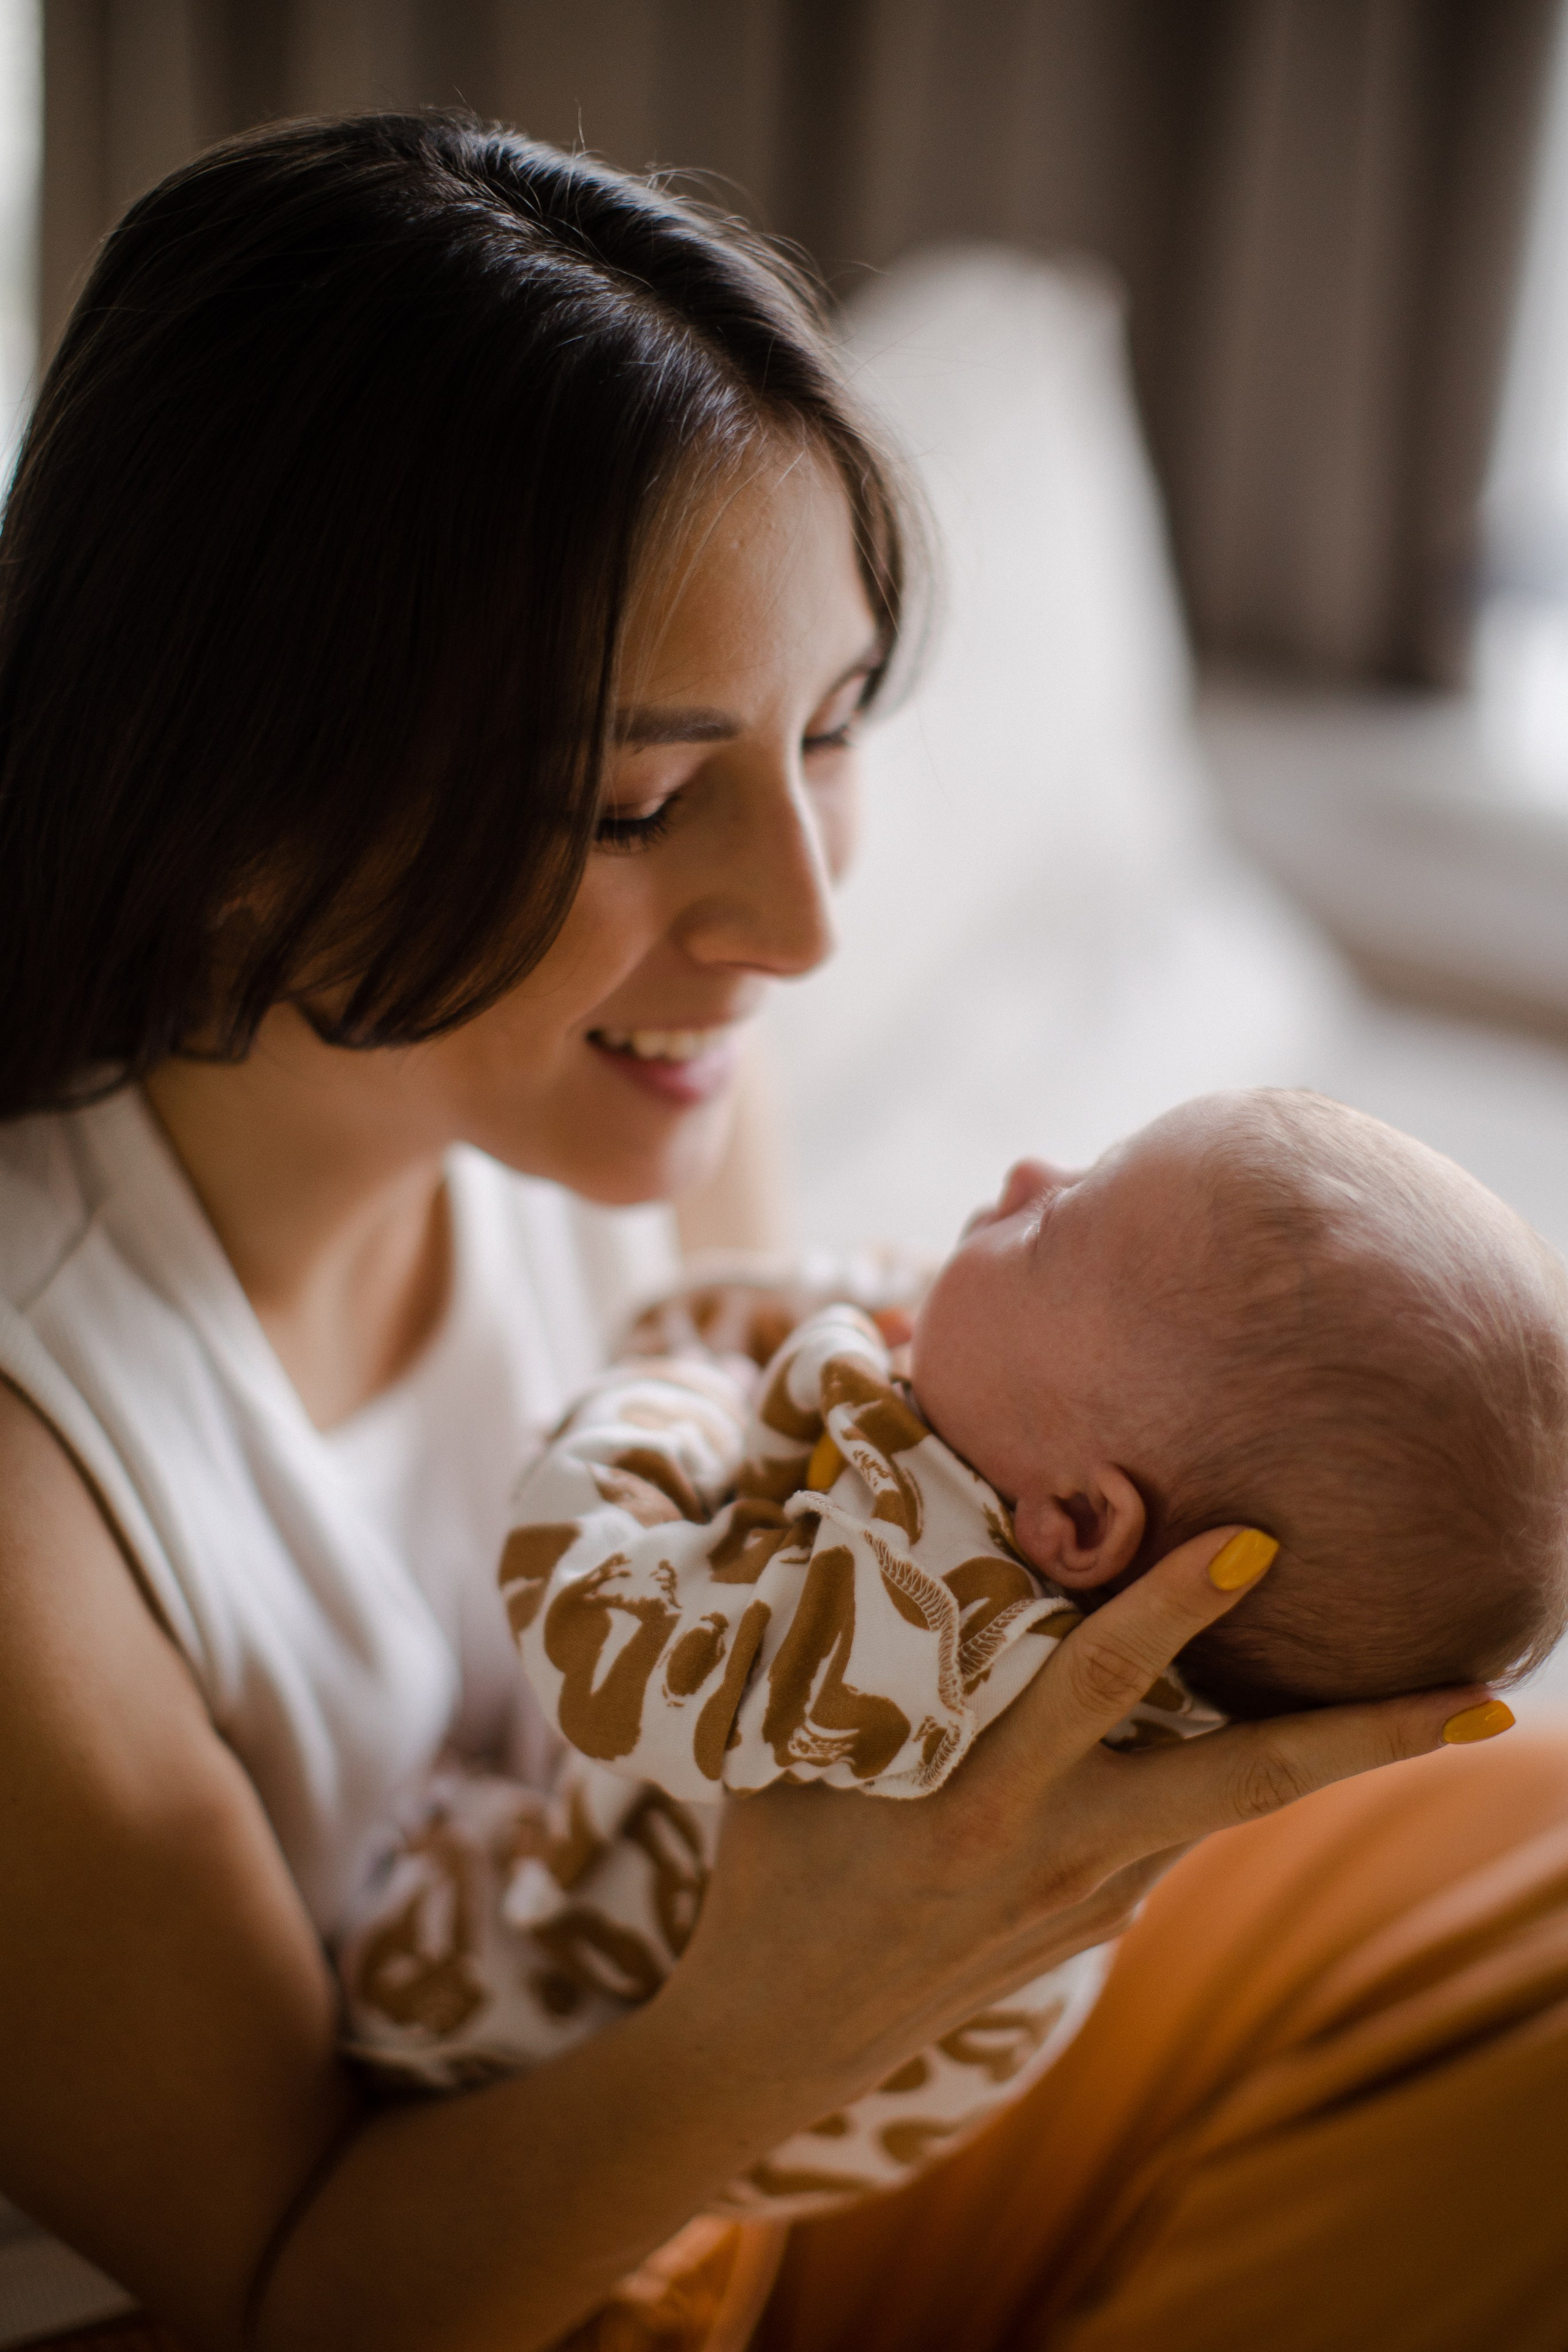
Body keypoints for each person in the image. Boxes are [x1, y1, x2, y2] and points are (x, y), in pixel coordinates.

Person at [0, 110, 1562, 2352]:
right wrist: (822, 1996)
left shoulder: (631, 1097)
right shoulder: (41, 1475)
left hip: (739, 2027)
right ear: (234, 793)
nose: (807, 927)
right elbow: (294, 2293)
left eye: (829, 731)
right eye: (638, 802)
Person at [333, 1087, 1568, 2221]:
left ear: (1078, 1527)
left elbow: (601, 1626)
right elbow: (878, 1326)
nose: (1027, 1170)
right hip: (827, 2047)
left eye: (1053, 1226)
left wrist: (670, 1389)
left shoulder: (920, 1647)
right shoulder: (1025, 1477)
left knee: (399, 1966)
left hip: (600, 2040)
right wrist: (834, 1325)